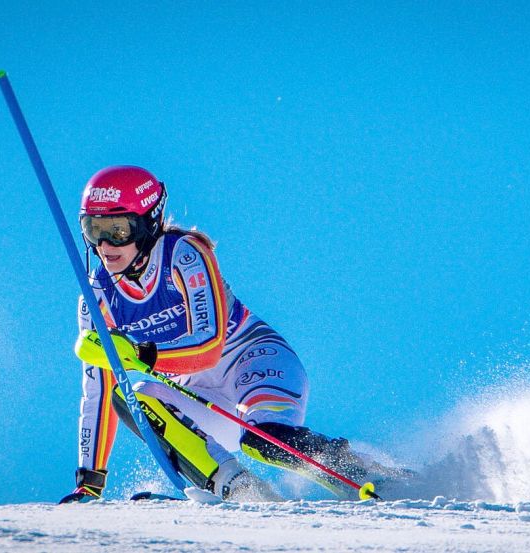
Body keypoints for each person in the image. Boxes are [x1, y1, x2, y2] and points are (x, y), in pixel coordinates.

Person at [60, 166, 385, 503]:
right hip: (200, 395)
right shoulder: (96, 295)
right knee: (135, 398)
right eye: (93, 229)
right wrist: (89, 481)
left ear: (148, 223)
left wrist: (143, 354)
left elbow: (209, 346)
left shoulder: (184, 254)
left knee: (263, 440)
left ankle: (365, 475)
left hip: (253, 360)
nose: (104, 245)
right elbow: (98, 389)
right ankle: (240, 490)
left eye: (118, 230)